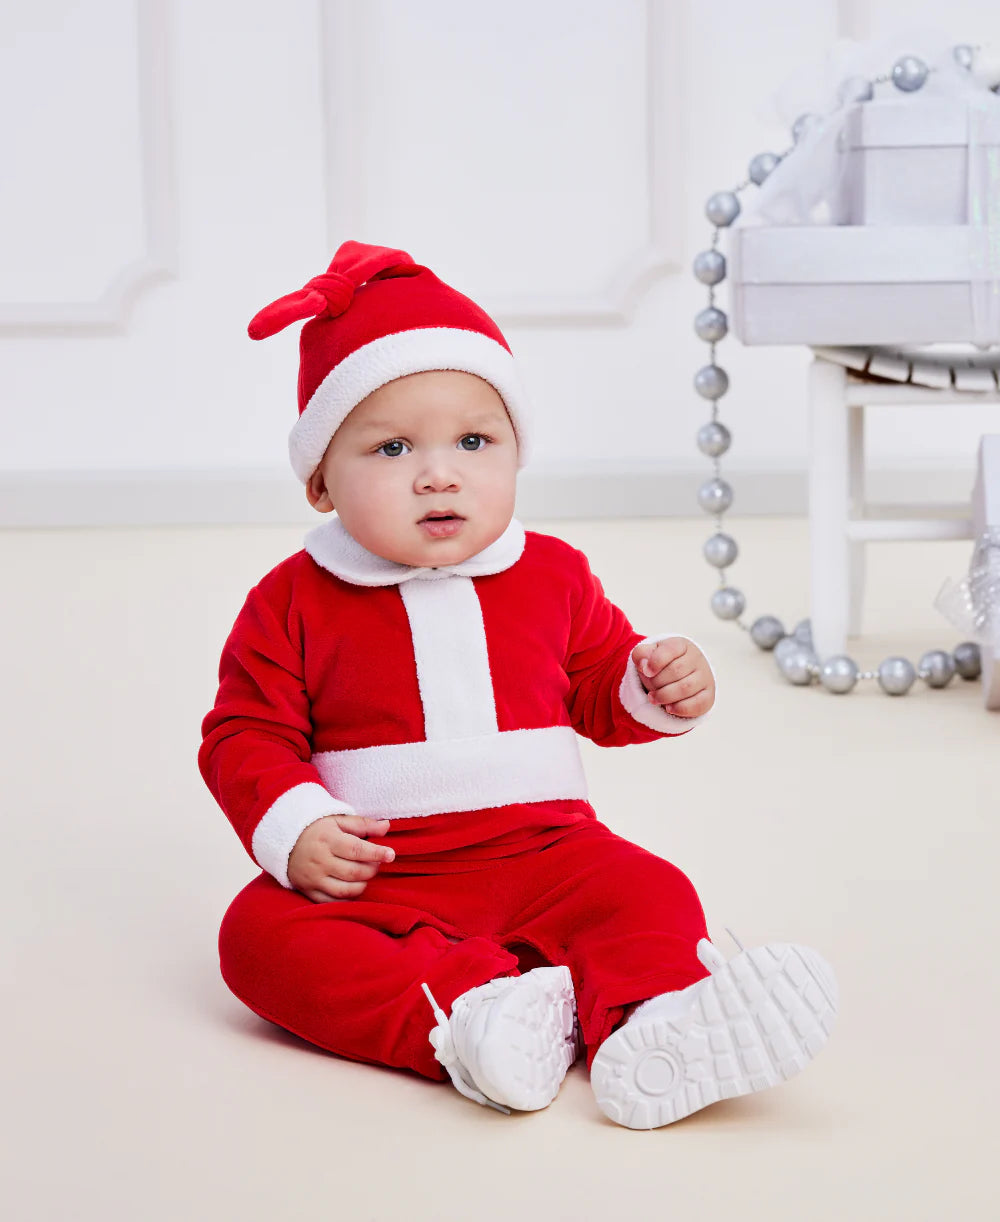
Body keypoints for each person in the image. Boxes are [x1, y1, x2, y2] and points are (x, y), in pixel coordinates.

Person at [199, 240, 837, 1129]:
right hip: (388, 870)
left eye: (473, 440)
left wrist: (651, 685)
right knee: (257, 941)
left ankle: (657, 1026)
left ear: (514, 453)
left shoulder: (552, 573)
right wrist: (299, 826)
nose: (438, 472)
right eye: (390, 448)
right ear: (320, 482)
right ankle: (473, 1020)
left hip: (549, 855)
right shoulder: (292, 599)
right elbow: (244, 733)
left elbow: (594, 690)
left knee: (648, 891)